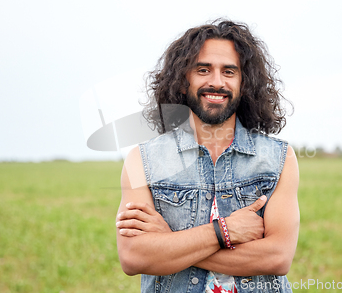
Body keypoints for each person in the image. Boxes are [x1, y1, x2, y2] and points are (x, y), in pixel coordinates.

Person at [115, 19, 299, 293]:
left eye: (229, 72)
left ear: (243, 83)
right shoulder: (142, 161)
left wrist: (170, 243)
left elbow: (277, 257)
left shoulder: (278, 159)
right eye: (203, 70)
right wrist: (224, 231)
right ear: (182, 81)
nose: (216, 82)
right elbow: (134, 256)